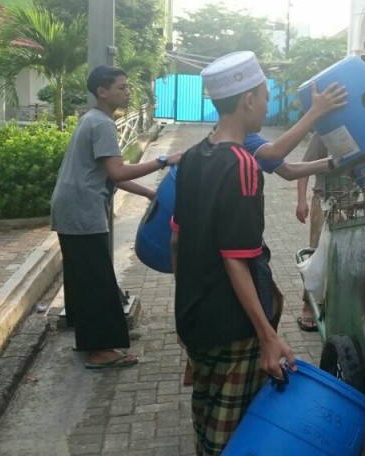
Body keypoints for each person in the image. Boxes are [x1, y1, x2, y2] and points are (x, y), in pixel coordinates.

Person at [170, 51, 298, 455]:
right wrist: (268, 336)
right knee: (232, 436)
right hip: (231, 326)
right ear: (248, 99)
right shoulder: (242, 165)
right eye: (265, 97)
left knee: (206, 418)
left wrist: (185, 307)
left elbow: (176, 241)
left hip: (195, 320)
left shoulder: (191, 157)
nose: (267, 106)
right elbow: (236, 259)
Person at [50, 65, 181, 370]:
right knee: (96, 280)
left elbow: (111, 175)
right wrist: (164, 160)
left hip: (72, 207)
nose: (127, 92)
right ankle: (100, 351)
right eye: (121, 87)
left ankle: (90, 341)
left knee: (84, 277)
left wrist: (149, 193)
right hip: (82, 210)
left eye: (127, 86)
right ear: (102, 92)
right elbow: (118, 171)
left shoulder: (93, 119)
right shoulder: (102, 124)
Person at [294, 132, 330, 332]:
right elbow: (303, 168)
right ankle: (308, 306)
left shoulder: (359, 129)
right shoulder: (321, 133)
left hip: (351, 200)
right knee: (317, 253)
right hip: (324, 201)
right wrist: (301, 201)